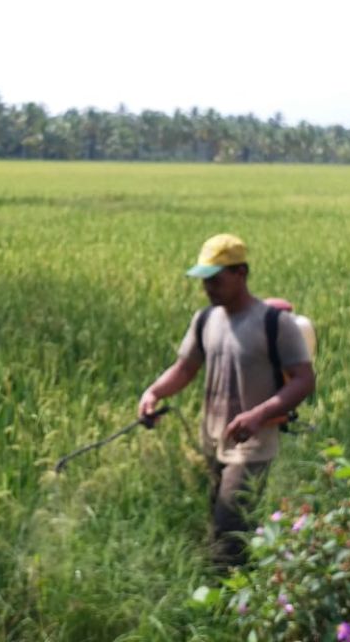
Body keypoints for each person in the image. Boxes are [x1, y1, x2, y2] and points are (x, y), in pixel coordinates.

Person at [138, 233, 316, 566]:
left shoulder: (273, 324)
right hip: (213, 438)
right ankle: (242, 585)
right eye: (204, 280)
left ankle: (231, 602)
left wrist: (258, 415)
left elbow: (304, 380)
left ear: (241, 274)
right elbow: (185, 368)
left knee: (229, 526)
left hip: (253, 444)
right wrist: (154, 393)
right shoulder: (205, 319)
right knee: (220, 520)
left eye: (215, 280)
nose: (208, 288)